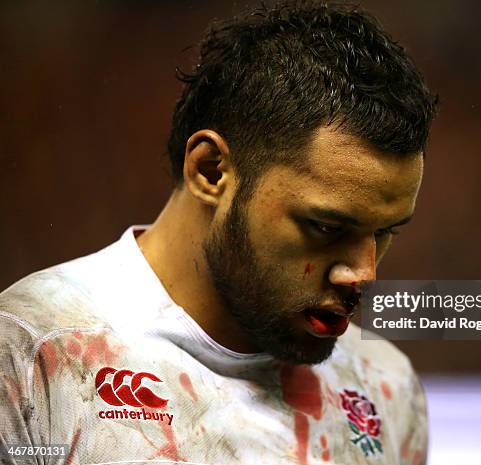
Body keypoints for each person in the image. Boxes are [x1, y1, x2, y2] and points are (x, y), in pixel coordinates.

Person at [0, 2, 437, 464]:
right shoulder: (31, 356)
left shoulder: (383, 387)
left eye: (386, 232)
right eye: (326, 227)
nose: (363, 273)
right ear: (210, 171)